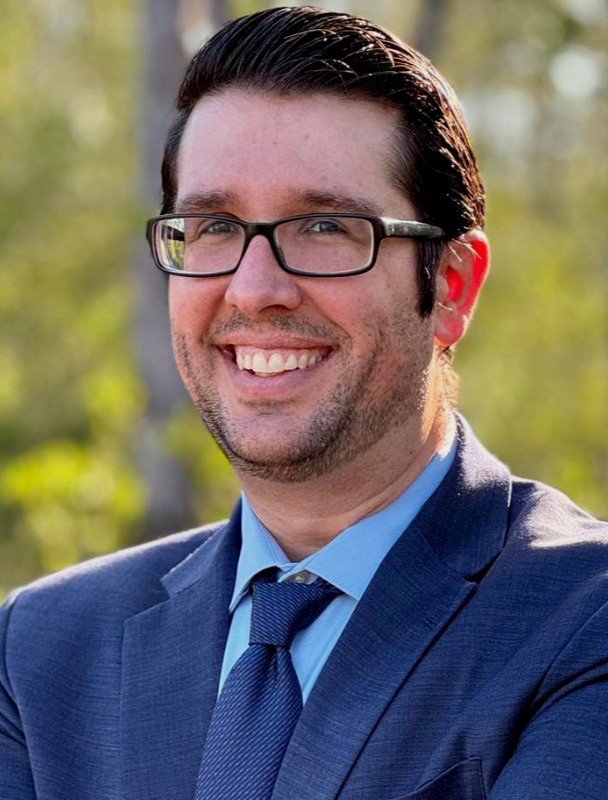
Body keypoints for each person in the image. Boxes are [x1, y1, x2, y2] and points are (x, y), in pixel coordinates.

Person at [1, 6, 607, 799]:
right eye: (213, 227)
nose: (255, 290)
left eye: (325, 226)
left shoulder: (581, 620)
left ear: (451, 286)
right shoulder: (41, 649)